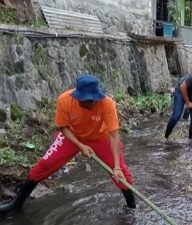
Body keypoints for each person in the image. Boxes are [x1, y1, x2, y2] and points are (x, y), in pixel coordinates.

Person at [0, 75, 136, 217]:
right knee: (45, 164)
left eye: (94, 99)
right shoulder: (64, 100)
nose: (92, 103)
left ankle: (132, 208)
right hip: (72, 137)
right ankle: (16, 204)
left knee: (122, 175)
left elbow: (114, 135)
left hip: (101, 138)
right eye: (88, 101)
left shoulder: (107, 104)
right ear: (77, 97)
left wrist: (117, 167)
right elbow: (63, 128)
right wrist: (80, 145)